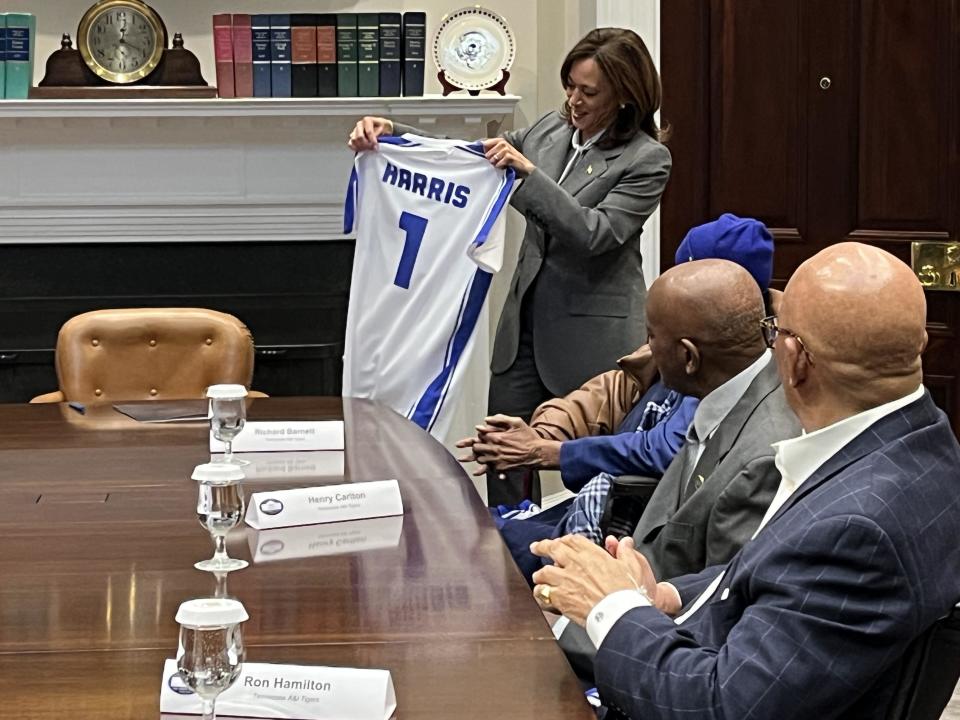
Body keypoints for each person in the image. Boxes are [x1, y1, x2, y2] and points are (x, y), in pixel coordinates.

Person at [530, 243, 960, 719]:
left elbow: (717, 707)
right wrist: (667, 595)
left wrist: (610, 608)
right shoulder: (925, 443)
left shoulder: (858, 528)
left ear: (795, 360)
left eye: (775, 331)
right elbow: (788, 579)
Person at [349, 28, 671, 505]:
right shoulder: (548, 130)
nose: (574, 101)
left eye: (588, 92)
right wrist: (397, 136)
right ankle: (505, 548)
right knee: (499, 451)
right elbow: (471, 159)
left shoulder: (647, 159)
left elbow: (595, 234)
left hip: (591, 339)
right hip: (522, 327)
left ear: (626, 98)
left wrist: (528, 176)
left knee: (593, 470)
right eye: (570, 86)